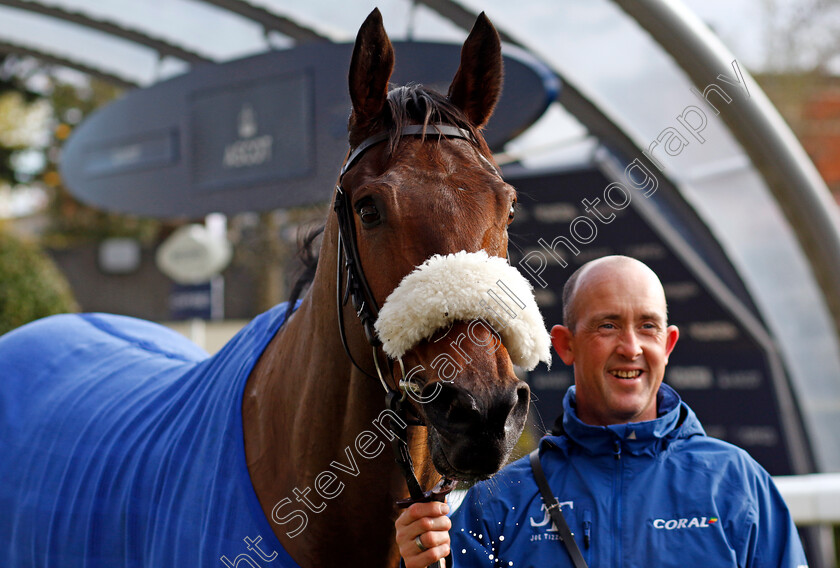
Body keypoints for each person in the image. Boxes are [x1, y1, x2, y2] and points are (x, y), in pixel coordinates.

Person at [395, 255, 808, 568]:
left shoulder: (738, 485)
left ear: (668, 344)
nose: (630, 347)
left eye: (648, 326)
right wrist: (421, 562)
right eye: (607, 326)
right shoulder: (499, 501)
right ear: (565, 344)